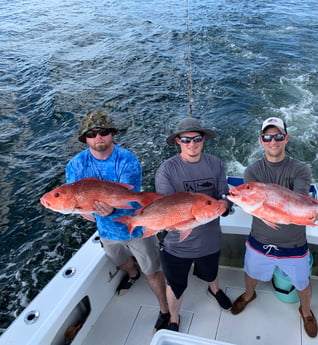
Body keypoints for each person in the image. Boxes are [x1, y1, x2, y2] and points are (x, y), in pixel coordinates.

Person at [66, 110, 170, 331]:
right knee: (121, 262)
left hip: (136, 229)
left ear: (112, 134)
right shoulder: (75, 166)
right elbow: (74, 202)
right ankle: (132, 274)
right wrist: (86, 211)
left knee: (152, 271)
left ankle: (165, 310)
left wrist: (108, 210)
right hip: (106, 232)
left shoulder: (127, 160)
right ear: (85, 138)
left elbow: (132, 201)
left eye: (103, 132)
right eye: (92, 134)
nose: (98, 137)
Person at [230, 117, 318, 338]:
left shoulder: (300, 169)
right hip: (260, 239)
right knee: (251, 274)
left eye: (278, 136)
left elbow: (299, 201)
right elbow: (254, 204)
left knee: (302, 282)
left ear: (286, 138)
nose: (273, 141)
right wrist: (264, 202)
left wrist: (311, 211)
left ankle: (306, 311)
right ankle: (249, 295)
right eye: (267, 137)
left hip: (294, 242)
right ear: (261, 141)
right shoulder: (252, 171)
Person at [155, 117, 233, 332]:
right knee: (175, 285)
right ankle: (173, 317)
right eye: (186, 140)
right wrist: (172, 221)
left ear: (204, 139)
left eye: (197, 139)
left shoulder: (215, 163)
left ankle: (214, 289)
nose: (192, 144)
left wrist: (225, 204)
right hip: (175, 245)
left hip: (210, 240)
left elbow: (224, 194)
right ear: (178, 141)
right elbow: (166, 205)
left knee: (211, 272)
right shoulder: (167, 170)